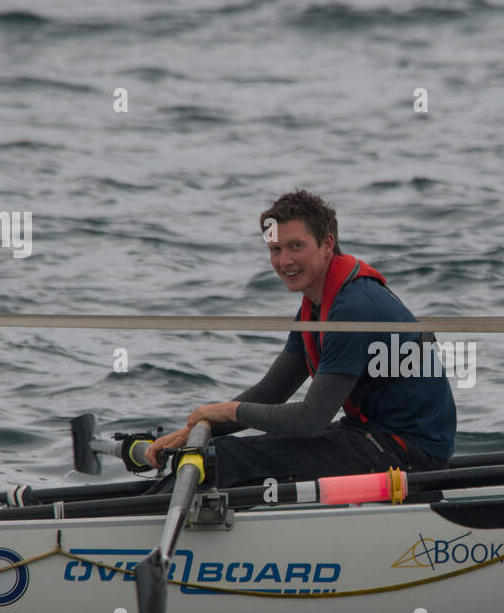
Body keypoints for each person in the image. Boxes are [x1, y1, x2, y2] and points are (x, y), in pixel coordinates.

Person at [145, 190, 456, 488]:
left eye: (296, 246)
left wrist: (224, 411)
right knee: (214, 452)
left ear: (327, 245)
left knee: (224, 459)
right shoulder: (317, 307)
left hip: (409, 456)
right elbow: (271, 392)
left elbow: (311, 420)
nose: (284, 261)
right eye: (275, 250)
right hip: (369, 435)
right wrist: (192, 432)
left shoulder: (353, 308)